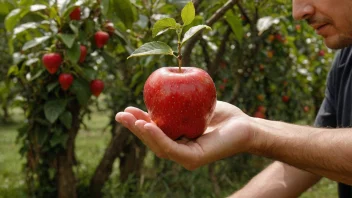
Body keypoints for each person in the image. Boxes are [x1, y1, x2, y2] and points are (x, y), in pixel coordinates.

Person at [115, 0, 352, 197]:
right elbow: (312, 158)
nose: (298, 12)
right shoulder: (345, 60)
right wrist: (251, 127)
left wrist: (255, 133)